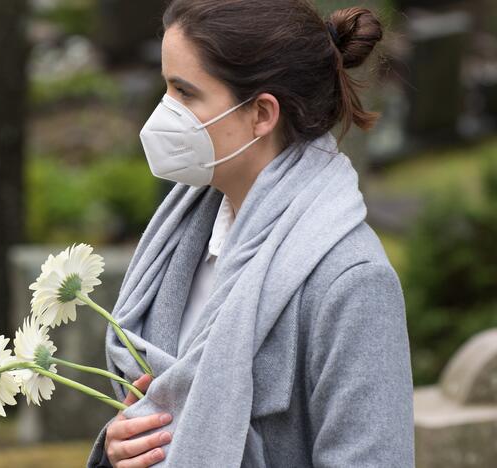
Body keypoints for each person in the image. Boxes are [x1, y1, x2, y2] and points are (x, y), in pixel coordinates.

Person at [86, 1, 414, 467]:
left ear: (261, 113)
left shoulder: (352, 281)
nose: (163, 112)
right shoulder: (180, 237)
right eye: (166, 87)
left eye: (185, 92)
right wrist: (123, 449)